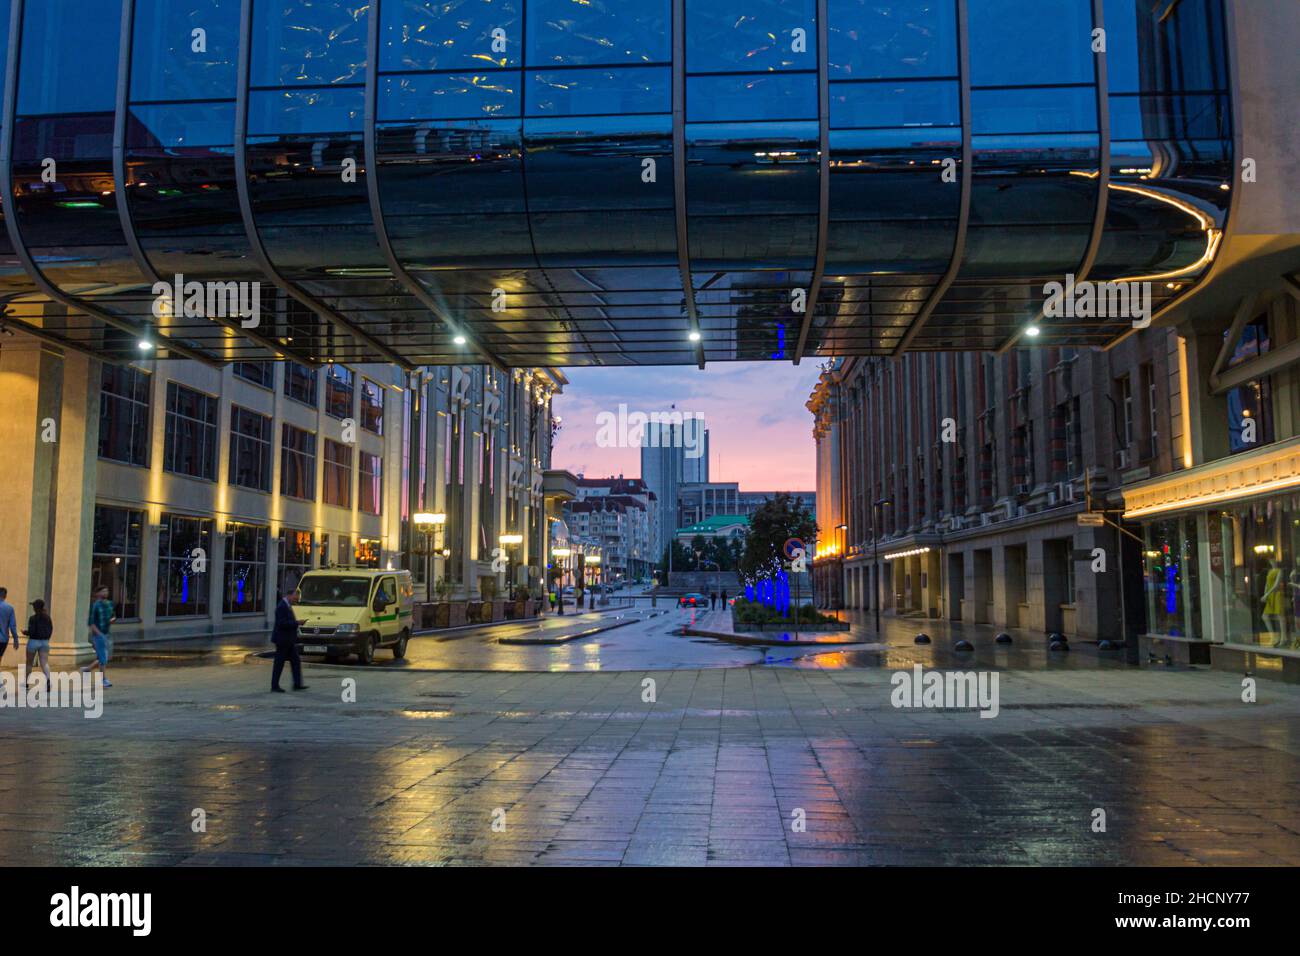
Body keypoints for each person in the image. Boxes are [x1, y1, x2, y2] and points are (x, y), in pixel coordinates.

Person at [271, 588, 308, 692]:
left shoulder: (287, 605)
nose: (296, 600)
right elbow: (282, 623)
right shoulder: (282, 606)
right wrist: (297, 623)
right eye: (295, 598)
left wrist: (296, 623)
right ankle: (274, 686)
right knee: (279, 663)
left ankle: (297, 684)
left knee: (296, 661)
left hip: (288, 640)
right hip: (282, 640)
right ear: (290, 595)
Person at [82, 586, 115, 688]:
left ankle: (87, 669)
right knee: (103, 658)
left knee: (105, 657)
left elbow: (113, 616)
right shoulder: (95, 605)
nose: (106, 593)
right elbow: (91, 622)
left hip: (107, 634)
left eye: (107, 591)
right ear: (98, 593)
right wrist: (99, 633)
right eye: (103, 591)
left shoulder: (109, 604)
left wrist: (112, 619)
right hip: (98, 635)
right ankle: (103, 679)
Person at [22, 598, 52, 691]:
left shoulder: (32, 618)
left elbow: (31, 631)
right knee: (44, 663)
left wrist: (25, 632)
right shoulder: (48, 618)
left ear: (35, 607)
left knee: (29, 663)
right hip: (44, 642)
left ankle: (26, 683)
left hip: (33, 641)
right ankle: (48, 680)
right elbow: (51, 630)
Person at [0, 587, 18, 662]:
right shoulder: (10, 608)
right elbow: (12, 626)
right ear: (5, 596)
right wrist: (16, 639)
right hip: (3, 639)